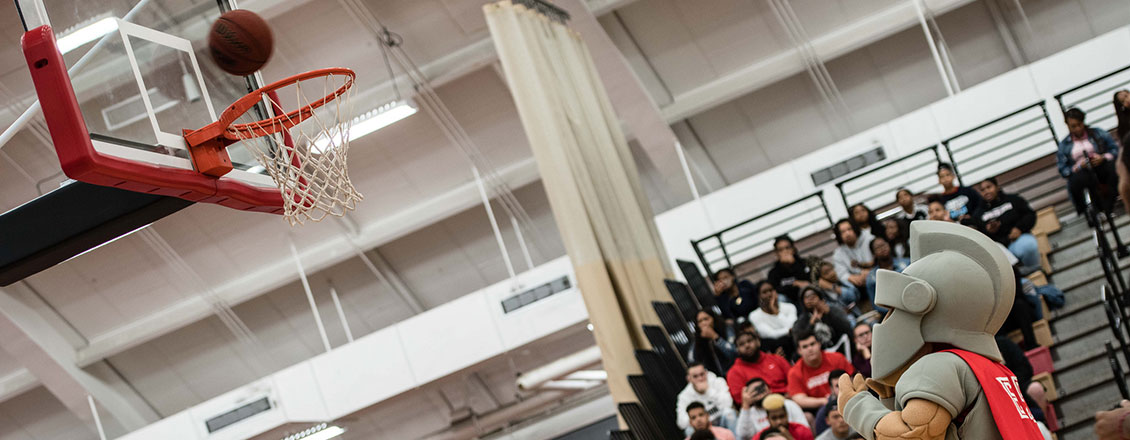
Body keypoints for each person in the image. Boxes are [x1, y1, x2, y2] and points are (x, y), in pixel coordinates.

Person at [837, 221, 1043, 440]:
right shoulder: (988, 366)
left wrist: (856, 406)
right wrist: (890, 401)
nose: (887, 320)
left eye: (894, 310)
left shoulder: (938, 366)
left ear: (924, 307)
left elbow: (913, 435)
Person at [1057, 107, 1119, 216]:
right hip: (1082, 173)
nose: (1077, 129)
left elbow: (1114, 149)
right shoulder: (1064, 145)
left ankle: (1109, 205)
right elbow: (1063, 170)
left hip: (1101, 166)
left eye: (1079, 124)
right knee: (1080, 180)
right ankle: (1092, 211)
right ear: (1067, 125)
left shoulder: (1098, 133)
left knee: (1112, 168)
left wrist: (1103, 157)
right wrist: (1078, 167)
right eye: (1073, 126)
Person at [973, 177, 1039, 273]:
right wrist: (988, 231)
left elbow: (1030, 215)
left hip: (1018, 240)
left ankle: (1035, 270)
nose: (986, 191)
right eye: (982, 190)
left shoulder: (1013, 199)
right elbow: (980, 236)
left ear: (997, 187)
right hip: (999, 249)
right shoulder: (978, 213)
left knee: (1029, 245)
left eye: (989, 187)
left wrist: (1019, 228)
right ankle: (1019, 275)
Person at [788, 328, 855, 411]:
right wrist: (825, 401)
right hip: (819, 409)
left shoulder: (837, 358)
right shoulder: (794, 372)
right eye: (805, 346)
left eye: (812, 344)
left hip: (846, 400)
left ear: (819, 344)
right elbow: (799, 399)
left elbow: (852, 379)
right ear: (799, 351)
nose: (810, 349)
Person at [726, 330, 792, 403]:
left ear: (758, 342)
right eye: (742, 344)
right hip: (759, 407)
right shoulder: (734, 372)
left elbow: (793, 379)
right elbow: (740, 400)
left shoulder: (776, 359)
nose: (747, 345)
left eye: (749, 341)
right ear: (737, 350)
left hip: (788, 398)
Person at [736, 377, 810, 438]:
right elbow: (743, 435)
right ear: (768, 418)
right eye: (754, 391)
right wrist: (745, 405)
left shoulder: (788, 404)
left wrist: (788, 437)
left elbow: (805, 430)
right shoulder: (750, 413)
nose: (779, 422)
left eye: (761, 388)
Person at [677, 362, 737, 432]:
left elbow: (728, 403)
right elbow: (681, 423)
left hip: (721, 420)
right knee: (689, 430)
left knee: (729, 414)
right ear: (689, 379)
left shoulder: (718, 382)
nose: (700, 378)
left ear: (706, 373)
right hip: (703, 428)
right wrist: (701, 419)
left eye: (702, 374)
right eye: (695, 376)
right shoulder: (684, 396)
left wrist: (708, 391)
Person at [749, 281, 798, 359]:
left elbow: (793, 327)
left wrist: (776, 312)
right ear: (759, 296)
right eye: (764, 292)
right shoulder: (754, 315)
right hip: (772, 347)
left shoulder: (789, 307)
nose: (769, 294)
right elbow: (771, 334)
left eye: (771, 290)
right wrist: (788, 331)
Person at [689, 310, 738, 377]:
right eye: (700, 321)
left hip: (735, 371)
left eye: (706, 319)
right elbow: (691, 361)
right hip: (715, 379)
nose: (704, 323)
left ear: (713, 319)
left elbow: (734, 352)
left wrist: (715, 337)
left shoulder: (726, 329)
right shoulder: (696, 341)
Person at [864, 236, 908, 308]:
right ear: (873, 253)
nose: (882, 248)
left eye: (883, 245)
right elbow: (876, 305)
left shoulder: (906, 263)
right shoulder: (872, 278)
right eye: (878, 247)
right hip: (890, 312)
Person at [767, 235, 812, 304]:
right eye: (780, 250)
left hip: (807, 298)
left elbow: (808, 281)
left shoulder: (804, 263)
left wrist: (794, 265)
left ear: (793, 249)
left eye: (787, 248)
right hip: (789, 303)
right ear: (776, 253)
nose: (785, 252)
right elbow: (776, 290)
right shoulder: (773, 272)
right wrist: (794, 284)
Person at [831, 219, 872, 291]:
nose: (847, 234)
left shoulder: (870, 240)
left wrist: (871, 271)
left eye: (849, 229)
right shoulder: (838, 254)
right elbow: (841, 274)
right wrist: (851, 277)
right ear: (839, 235)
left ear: (855, 229)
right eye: (843, 232)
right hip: (858, 285)